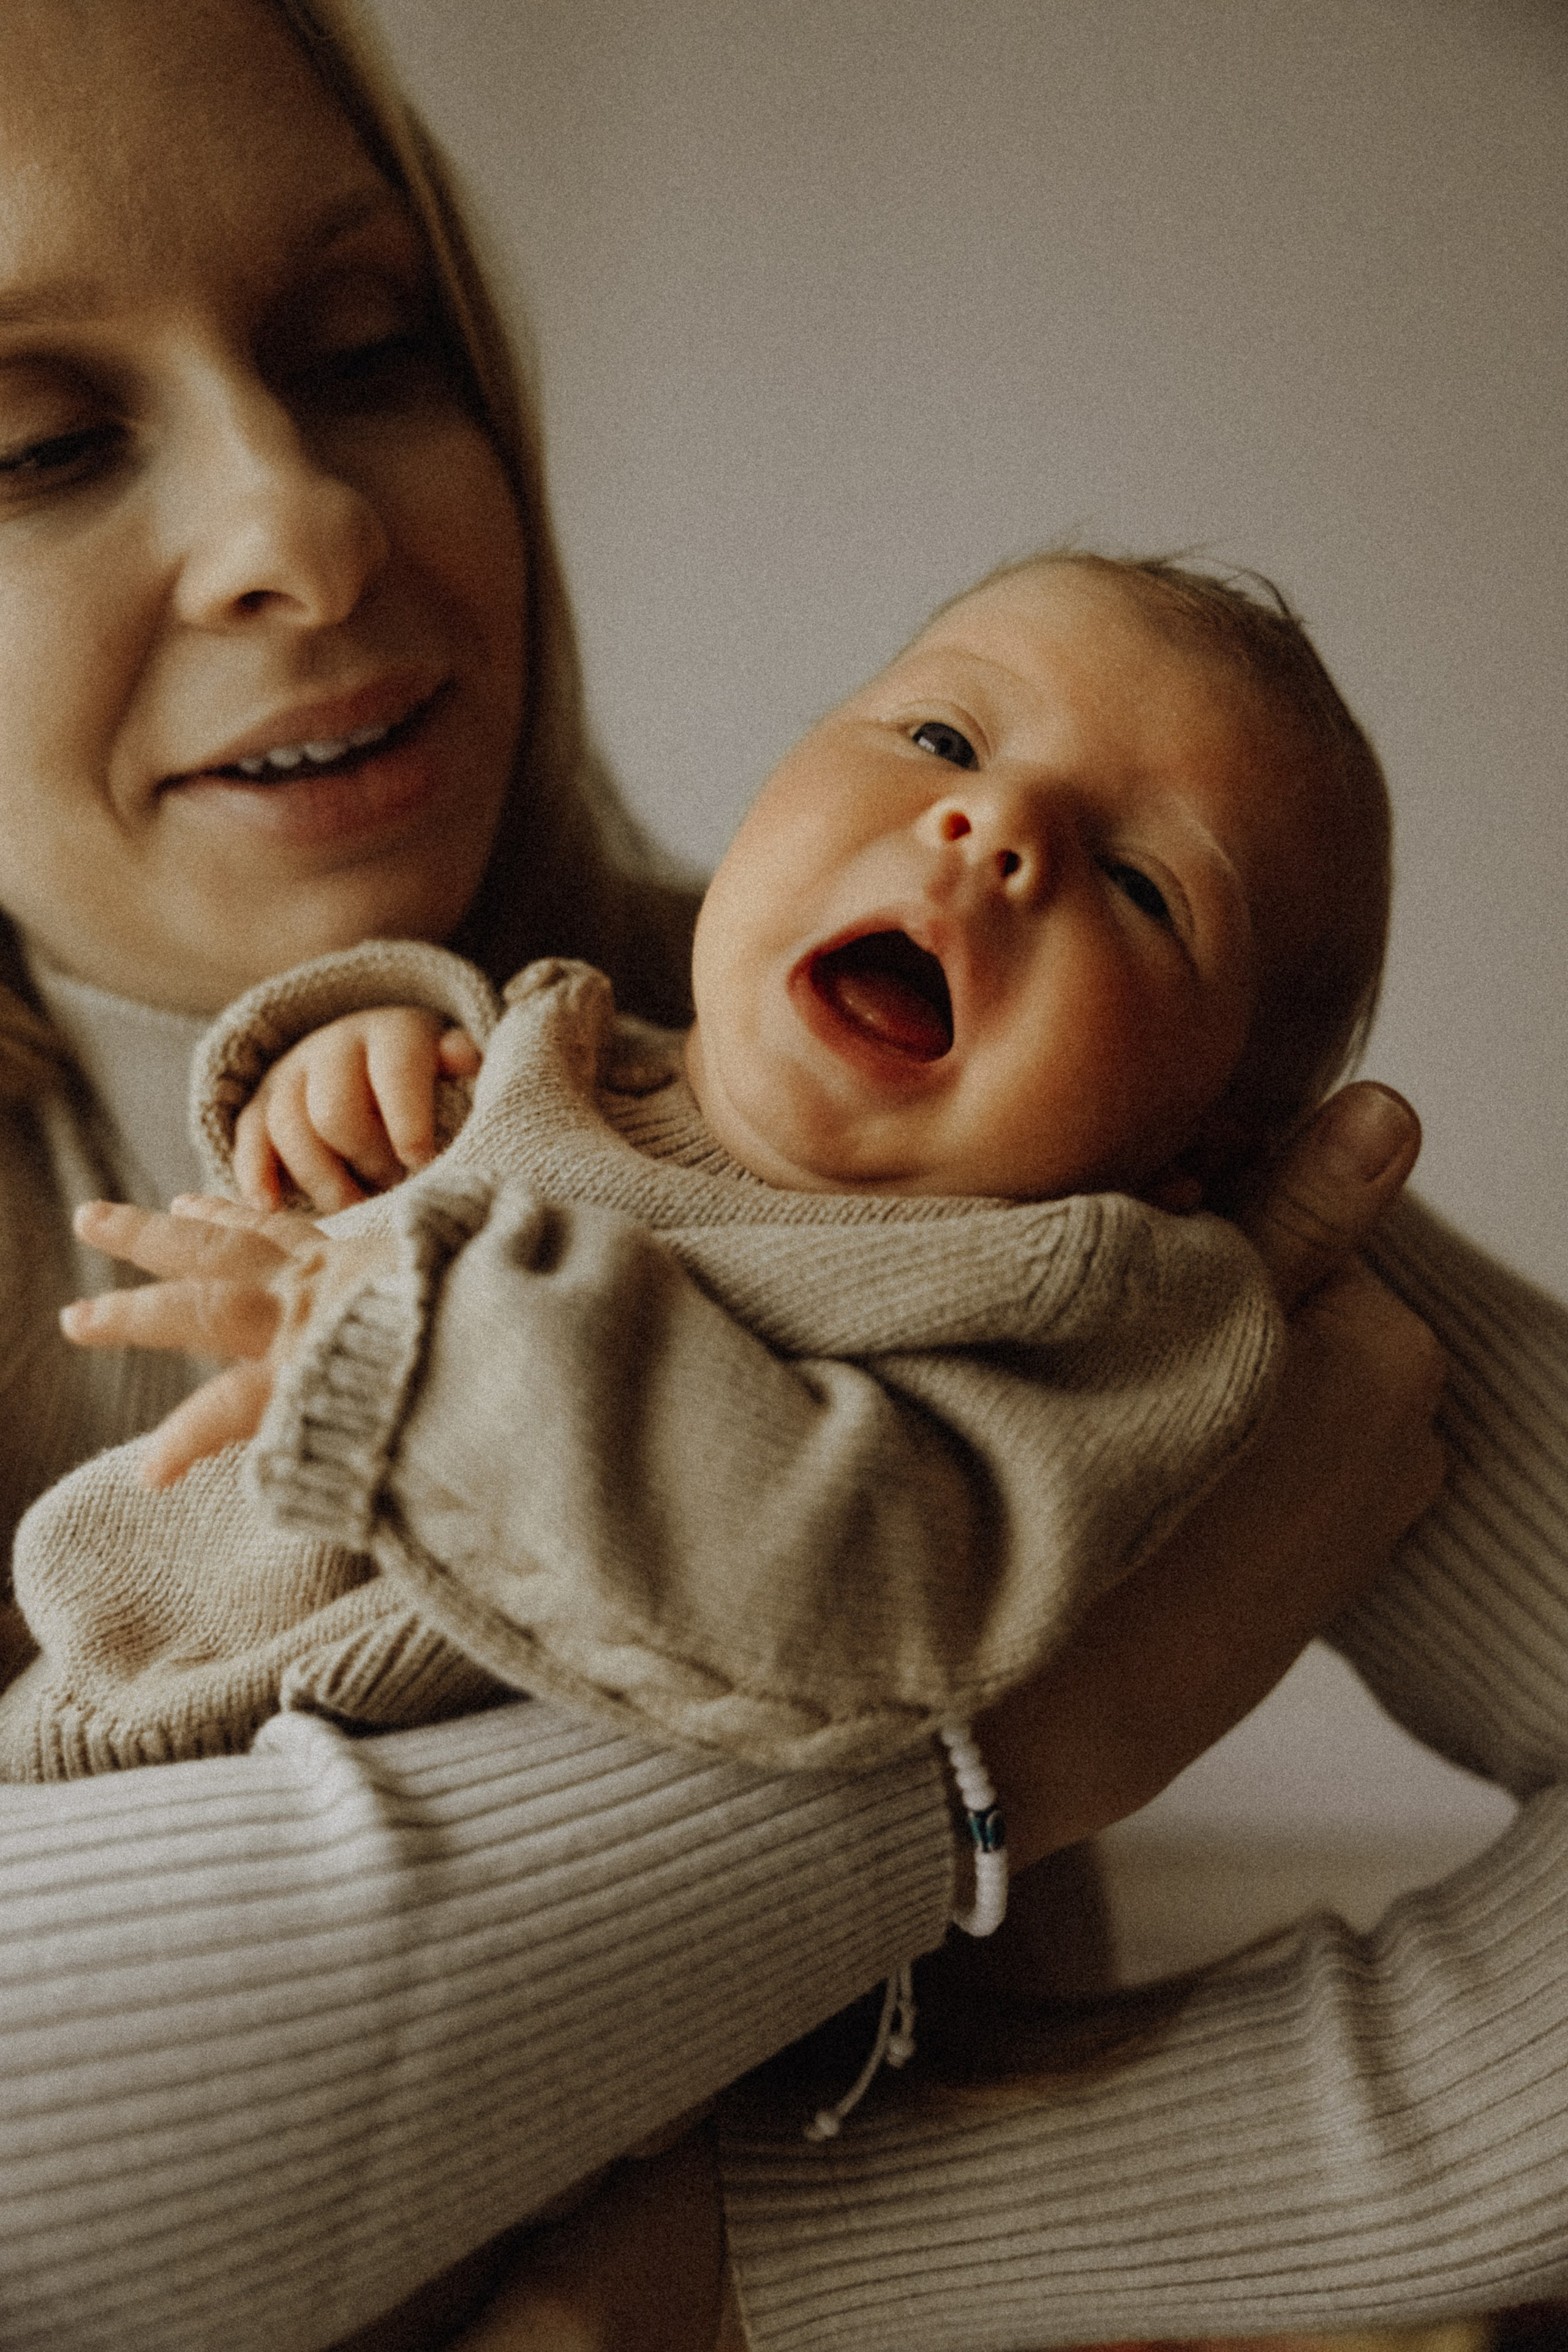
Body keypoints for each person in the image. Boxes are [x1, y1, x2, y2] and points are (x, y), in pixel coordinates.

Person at [0, 1, 1491, 2348]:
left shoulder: (1078, 1184)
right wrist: (977, 1782)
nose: (301, 519)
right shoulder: (526, 1080)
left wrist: (818, 2268)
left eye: (372, 348)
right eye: (42, 442)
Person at [10, 546, 1387, 1789]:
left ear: (1195, 1153)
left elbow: (861, 1582)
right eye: (938, 736)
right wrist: (346, 1065)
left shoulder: (1066, 1303)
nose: (998, 826)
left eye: (1143, 886)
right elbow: (365, 1225)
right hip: (104, 1721)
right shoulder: (556, 1051)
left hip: (440, 1889)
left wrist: (411, 1349)